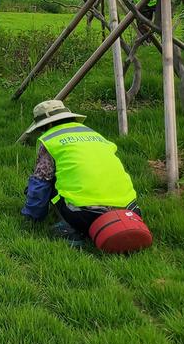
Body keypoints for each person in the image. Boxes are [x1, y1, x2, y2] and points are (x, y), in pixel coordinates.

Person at [19, 99, 140, 246]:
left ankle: (72, 230)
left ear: (47, 124)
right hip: (130, 209)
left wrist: (31, 217)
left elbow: (40, 183)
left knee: (46, 181)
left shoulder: (50, 140)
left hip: (85, 215)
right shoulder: (93, 134)